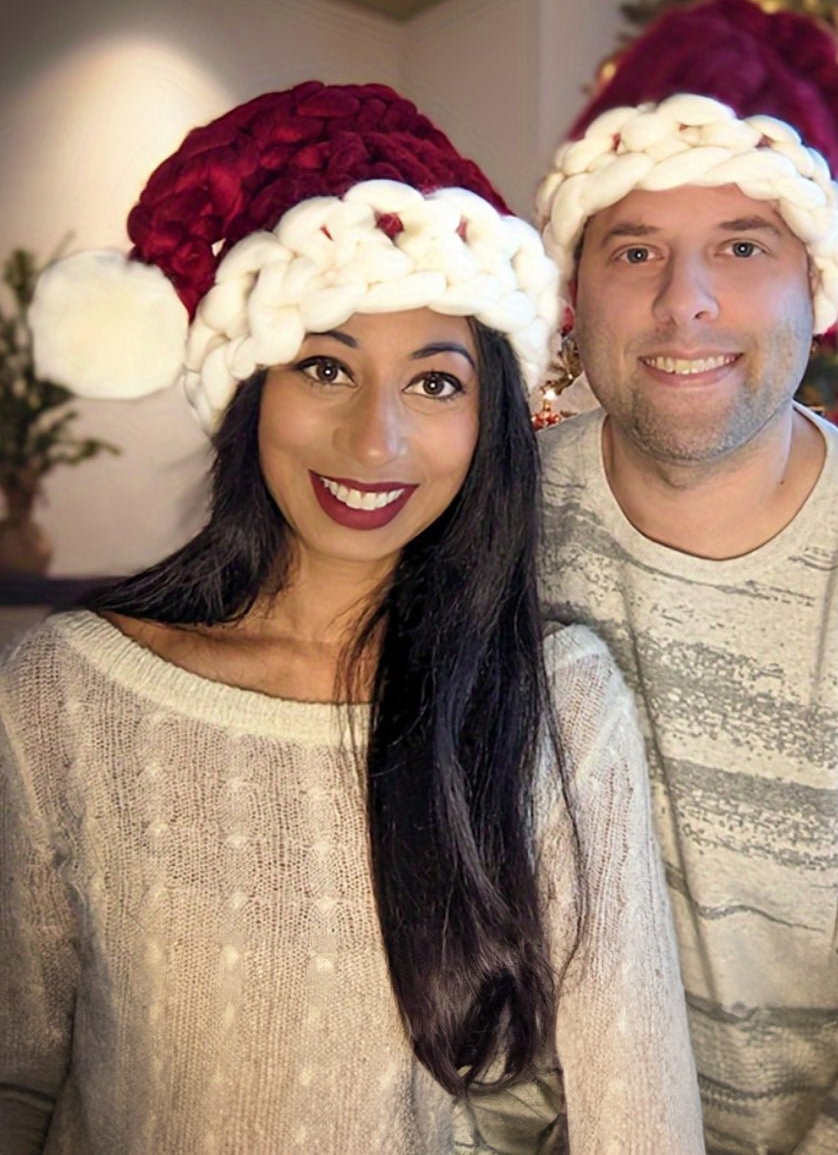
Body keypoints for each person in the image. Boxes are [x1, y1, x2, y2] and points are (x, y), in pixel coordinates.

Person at [0, 83, 704, 1154]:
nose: (374, 441)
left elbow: (636, 1119)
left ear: (487, 423)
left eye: (433, 383)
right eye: (323, 366)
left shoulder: (553, 701)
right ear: (247, 391)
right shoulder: (62, 690)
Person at [535, 90, 838, 1154]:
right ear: (578, 294)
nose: (683, 302)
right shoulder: (493, 522)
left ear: (815, 292)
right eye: (634, 251)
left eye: (740, 247)